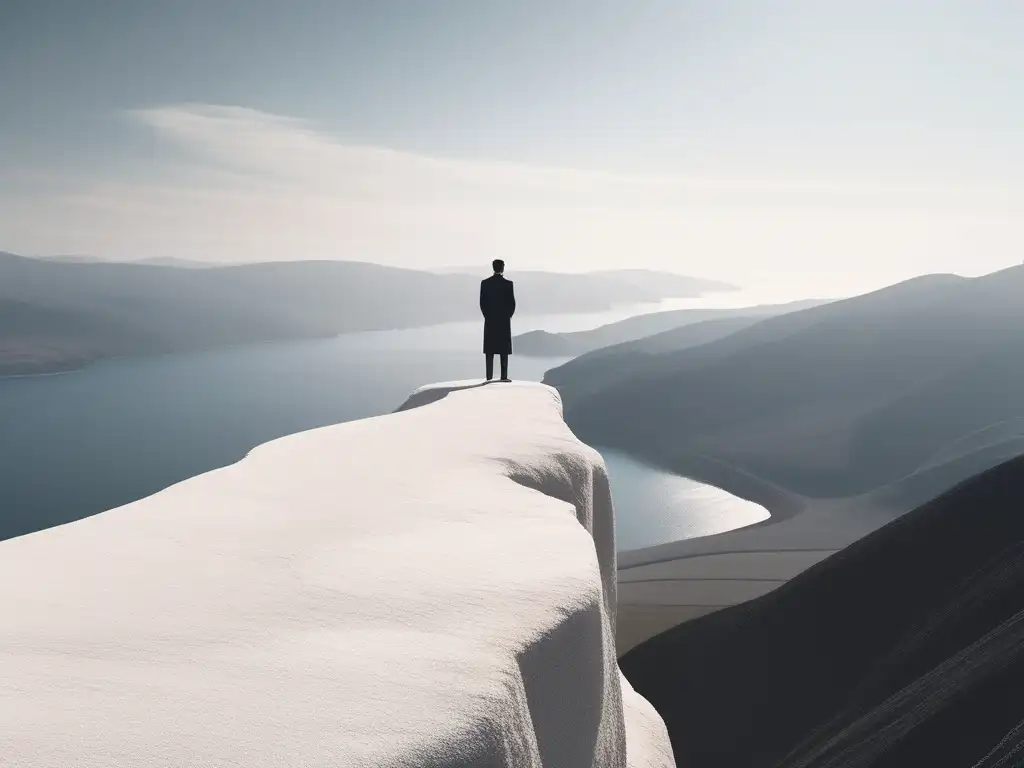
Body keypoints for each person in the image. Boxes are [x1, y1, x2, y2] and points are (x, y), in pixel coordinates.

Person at [479, 259, 515, 381]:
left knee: (490, 350)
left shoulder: (485, 283)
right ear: (503, 268)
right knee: (503, 350)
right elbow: (512, 304)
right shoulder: (508, 284)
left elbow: (482, 303)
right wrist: (507, 317)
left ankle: (489, 377)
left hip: (490, 321)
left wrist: (488, 316)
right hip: (504, 322)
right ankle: (503, 376)